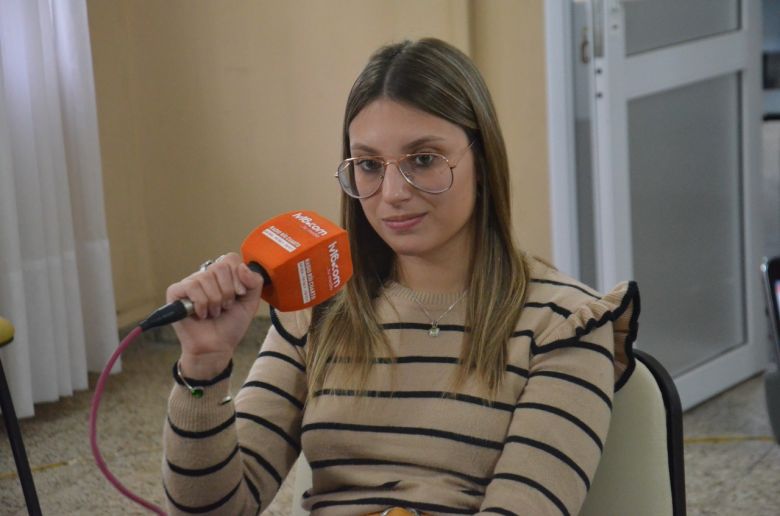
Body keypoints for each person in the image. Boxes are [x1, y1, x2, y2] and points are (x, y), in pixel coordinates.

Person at [161, 38, 639, 516]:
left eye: (424, 159)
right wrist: (203, 365)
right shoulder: (320, 309)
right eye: (369, 165)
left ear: (483, 162)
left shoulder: (564, 323)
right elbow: (211, 512)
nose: (391, 194)